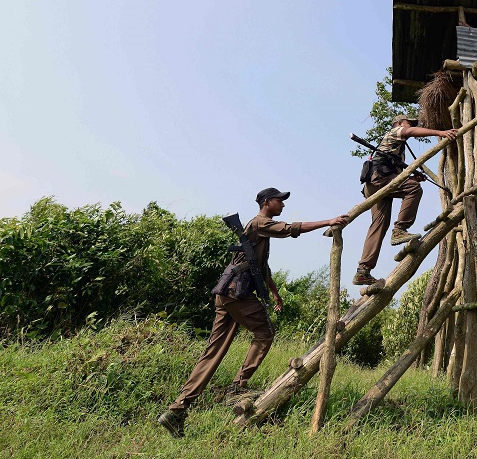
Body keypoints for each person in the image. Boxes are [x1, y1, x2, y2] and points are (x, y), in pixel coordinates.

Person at [157, 187, 348, 438]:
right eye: (280, 201)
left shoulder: (257, 231)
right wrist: (329, 221)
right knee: (265, 333)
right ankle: (237, 387)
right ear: (267, 202)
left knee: (213, 352)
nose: (283, 205)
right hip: (237, 294)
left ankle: (176, 410)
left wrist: (275, 293)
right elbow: (291, 229)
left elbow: (262, 267)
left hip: (226, 293)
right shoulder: (260, 223)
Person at [354, 115, 457, 286]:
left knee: (379, 225)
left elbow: (393, 169)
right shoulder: (395, 132)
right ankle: (400, 229)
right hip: (379, 178)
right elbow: (409, 132)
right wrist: (441, 132)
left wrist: (411, 175)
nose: (410, 126)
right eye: (409, 123)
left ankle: (363, 270)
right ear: (400, 123)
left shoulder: (396, 150)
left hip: (373, 185)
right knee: (413, 188)